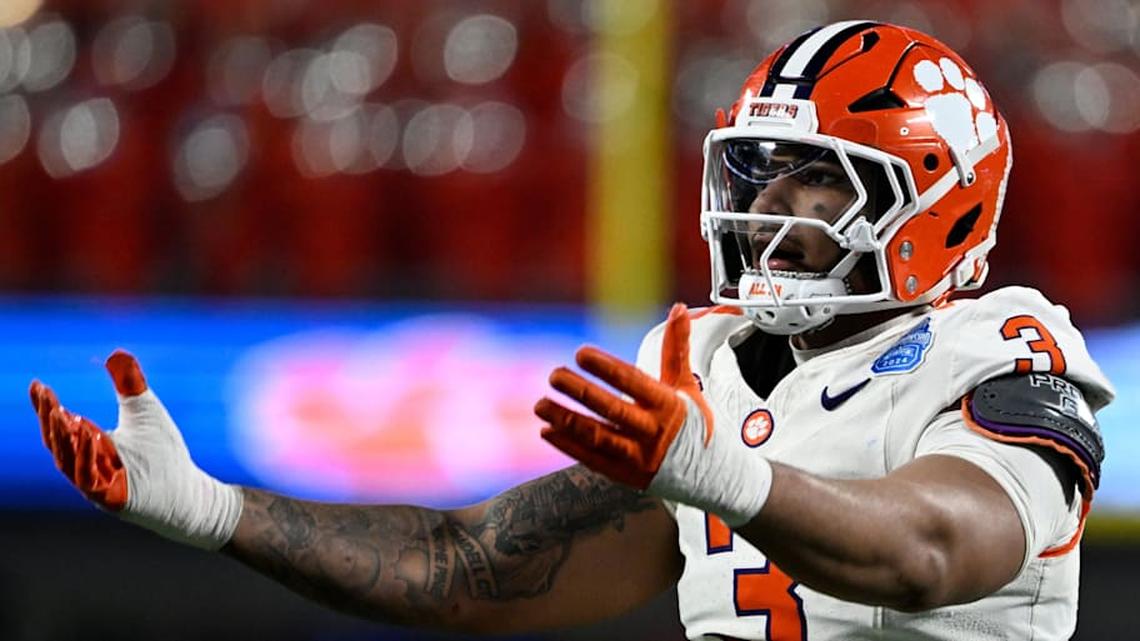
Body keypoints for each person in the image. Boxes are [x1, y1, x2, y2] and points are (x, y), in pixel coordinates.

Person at [30, 21, 1112, 641]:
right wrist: (216, 509)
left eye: (819, 180)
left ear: (942, 203)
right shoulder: (707, 365)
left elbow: (928, 550)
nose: (771, 208)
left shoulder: (1009, 347)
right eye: (759, 171)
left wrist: (719, 472)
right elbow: (471, 565)